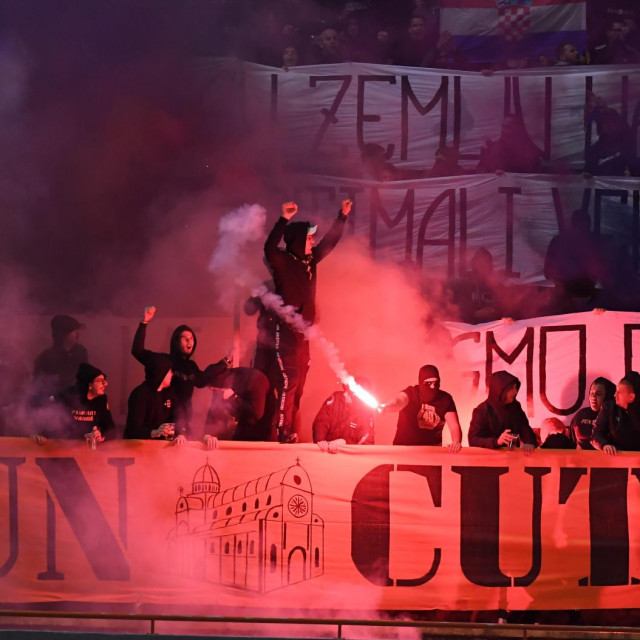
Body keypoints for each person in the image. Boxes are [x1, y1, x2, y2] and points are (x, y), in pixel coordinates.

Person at [264, 199, 352, 442]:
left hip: (305, 334)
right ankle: (282, 430)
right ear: (297, 241)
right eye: (309, 237)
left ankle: (291, 430)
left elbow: (330, 243)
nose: (312, 241)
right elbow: (269, 248)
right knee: (289, 380)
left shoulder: (310, 261)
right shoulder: (283, 261)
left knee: (300, 385)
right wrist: (283, 220)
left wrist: (342, 216)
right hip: (286, 331)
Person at [132, 307, 264, 444]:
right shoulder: (164, 363)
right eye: (185, 339)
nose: (190, 342)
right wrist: (144, 322)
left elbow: (205, 379)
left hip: (182, 423)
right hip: (163, 423)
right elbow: (137, 351)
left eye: (191, 339)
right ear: (176, 341)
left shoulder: (191, 367)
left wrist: (225, 362)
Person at [32, 363, 115, 447]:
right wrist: (38, 433)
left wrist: (101, 436)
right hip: (63, 449)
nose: (105, 384)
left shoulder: (101, 399)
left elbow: (110, 428)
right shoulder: (67, 396)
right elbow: (45, 413)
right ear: (89, 385)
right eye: (100, 381)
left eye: (104, 380)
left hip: (87, 451)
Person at [382, 364, 462, 451]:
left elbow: (454, 425)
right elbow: (399, 401)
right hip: (404, 452)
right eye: (428, 383)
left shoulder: (445, 399)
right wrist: (388, 406)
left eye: (436, 383)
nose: (433, 387)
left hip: (431, 454)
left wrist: (456, 441)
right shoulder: (411, 393)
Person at [468, 370, 537, 453]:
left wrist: (529, 443)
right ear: (501, 390)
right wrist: (496, 441)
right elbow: (473, 440)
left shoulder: (515, 407)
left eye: (516, 387)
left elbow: (525, 428)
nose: (515, 392)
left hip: (512, 458)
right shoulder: (481, 411)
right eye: (512, 388)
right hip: (488, 459)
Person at [124, 354, 181, 441]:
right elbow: (132, 430)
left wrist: (181, 434)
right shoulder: (140, 394)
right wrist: (154, 432)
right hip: (139, 447)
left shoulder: (168, 392)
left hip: (161, 446)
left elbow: (178, 416)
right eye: (169, 371)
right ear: (160, 372)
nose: (172, 374)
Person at [312, 377, 375, 453]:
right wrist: (320, 440)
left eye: (348, 392)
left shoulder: (367, 414)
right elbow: (321, 420)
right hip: (325, 452)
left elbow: (366, 444)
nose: (344, 394)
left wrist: (345, 442)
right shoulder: (335, 398)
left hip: (349, 459)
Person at [33, 315, 88, 394]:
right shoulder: (45, 358)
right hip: (54, 403)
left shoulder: (80, 352)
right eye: (73, 330)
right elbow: (38, 388)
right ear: (63, 335)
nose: (77, 333)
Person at [592, 372, 640, 455]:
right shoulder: (609, 407)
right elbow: (596, 434)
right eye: (616, 391)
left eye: (619, 392)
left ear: (631, 397)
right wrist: (604, 445)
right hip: (614, 459)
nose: (615, 395)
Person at [476, 114, 542, 174]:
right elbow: (481, 169)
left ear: (517, 129)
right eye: (503, 126)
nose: (503, 130)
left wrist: (506, 174)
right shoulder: (490, 148)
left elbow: (533, 177)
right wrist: (488, 172)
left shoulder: (530, 152)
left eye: (508, 127)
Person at [569, 376, 616, 449]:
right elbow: (571, 443)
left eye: (598, 394)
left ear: (608, 396)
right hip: (581, 459)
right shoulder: (580, 415)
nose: (593, 397)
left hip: (607, 459)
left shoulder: (615, 417)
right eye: (591, 393)